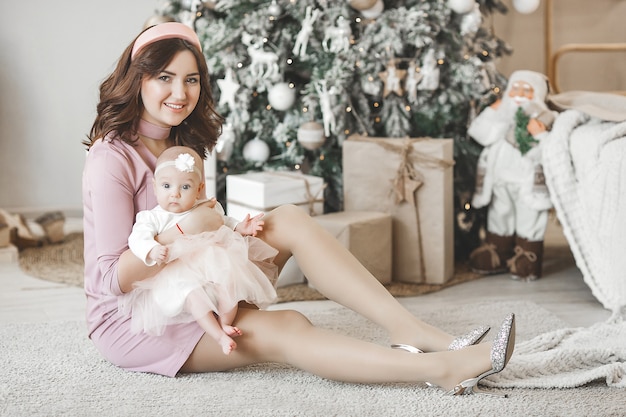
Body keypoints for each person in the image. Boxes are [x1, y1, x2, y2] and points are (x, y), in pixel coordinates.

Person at [82, 21, 516, 396]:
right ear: (138, 78)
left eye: (192, 80)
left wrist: (232, 229)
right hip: (140, 318)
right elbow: (109, 280)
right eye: (165, 77)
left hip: (200, 280)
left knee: (286, 217)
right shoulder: (111, 157)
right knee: (289, 324)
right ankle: (441, 370)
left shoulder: (180, 142)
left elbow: (203, 224)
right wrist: (181, 233)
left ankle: (409, 329)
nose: (180, 92)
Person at [118, 146, 278, 354]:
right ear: (155, 187)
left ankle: (226, 322)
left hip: (209, 261)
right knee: (193, 296)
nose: (174, 194)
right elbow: (137, 238)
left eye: (185, 187)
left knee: (229, 280)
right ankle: (218, 335)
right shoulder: (152, 217)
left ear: (199, 188)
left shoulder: (204, 206)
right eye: (166, 186)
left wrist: (241, 227)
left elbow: (223, 221)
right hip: (177, 272)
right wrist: (152, 249)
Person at [467, 70, 556, 281]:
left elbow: (550, 152)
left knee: (529, 216)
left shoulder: (544, 118)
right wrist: (492, 111)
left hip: (527, 182)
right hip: (500, 179)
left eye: (527, 90)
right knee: (500, 213)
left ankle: (527, 256)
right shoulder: (502, 116)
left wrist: (540, 134)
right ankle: (498, 251)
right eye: (515, 88)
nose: (519, 94)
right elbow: (480, 133)